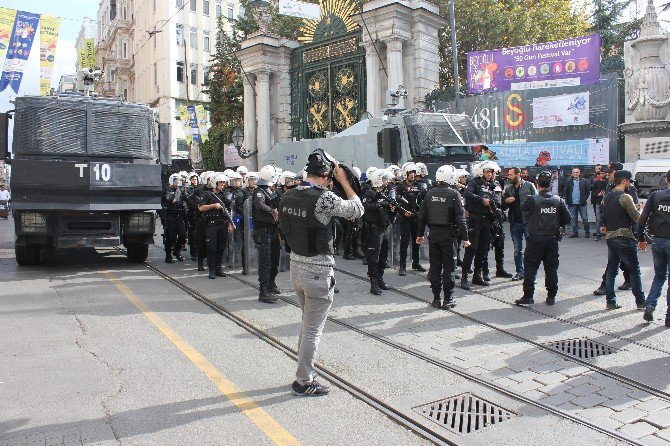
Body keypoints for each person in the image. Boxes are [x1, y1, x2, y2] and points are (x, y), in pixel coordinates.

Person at [279, 149, 364, 397]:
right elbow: (356, 209)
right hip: (317, 273)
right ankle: (303, 381)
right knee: (312, 331)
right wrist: (345, 181)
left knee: (307, 326)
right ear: (327, 175)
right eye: (331, 178)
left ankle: (303, 373)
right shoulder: (324, 198)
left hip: (296, 267)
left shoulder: (289, 194)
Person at [417, 165, 470, 309]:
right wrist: (465, 238)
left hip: (433, 235)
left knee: (434, 268)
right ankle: (448, 299)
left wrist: (420, 234)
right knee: (449, 269)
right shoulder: (454, 194)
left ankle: (435, 299)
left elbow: (422, 216)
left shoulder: (429, 193)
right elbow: (460, 219)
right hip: (448, 236)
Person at [515, 171, 571, 306]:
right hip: (552, 239)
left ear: (538, 184)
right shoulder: (558, 200)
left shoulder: (532, 199)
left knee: (530, 267)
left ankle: (528, 296)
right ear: (551, 185)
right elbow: (568, 218)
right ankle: (551, 296)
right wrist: (558, 224)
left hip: (535, 238)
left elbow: (523, 210)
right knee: (551, 268)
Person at [599, 169, 646, 310]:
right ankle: (641, 302)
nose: (629, 185)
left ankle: (610, 301)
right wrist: (642, 210)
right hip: (625, 237)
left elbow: (604, 217)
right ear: (625, 181)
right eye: (629, 182)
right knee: (634, 271)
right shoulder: (625, 197)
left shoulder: (607, 197)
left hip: (611, 237)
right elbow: (636, 217)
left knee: (612, 271)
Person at [593, 162, 639, 295]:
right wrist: (603, 223)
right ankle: (628, 281)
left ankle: (605, 286)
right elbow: (605, 208)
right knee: (621, 260)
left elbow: (633, 211)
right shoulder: (610, 187)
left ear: (618, 173)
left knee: (615, 262)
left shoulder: (628, 189)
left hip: (625, 230)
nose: (608, 174)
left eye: (610, 172)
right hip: (613, 230)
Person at [637, 170, 670, 326]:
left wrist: (641, 238)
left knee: (659, 276)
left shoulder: (656, 196)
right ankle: (668, 317)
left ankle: (650, 305)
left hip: (657, 241)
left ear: (666, 180)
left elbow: (642, 219)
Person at [460, 161, 497, 290]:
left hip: (486, 220)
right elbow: (467, 194)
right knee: (472, 249)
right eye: (487, 171)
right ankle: (464, 277)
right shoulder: (474, 182)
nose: (490, 174)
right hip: (474, 219)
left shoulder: (491, 185)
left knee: (483, 249)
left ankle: (477, 275)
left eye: (491, 172)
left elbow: (494, 201)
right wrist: (481, 200)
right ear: (481, 171)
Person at [362, 169, 396, 295]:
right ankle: (374, 283)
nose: (386, 181)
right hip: (374, 228)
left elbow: (391, 210)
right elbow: (365, 207)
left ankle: (380, 279)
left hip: (385, 227)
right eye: (384, 179)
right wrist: (379, 204)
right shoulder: (369, 193)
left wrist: (392, 208)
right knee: (373, 257)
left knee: (383, 256)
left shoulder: (386, 193)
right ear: (378, 180)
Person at [253, 165, 282, 302]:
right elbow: (259, 205)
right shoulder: (259, 191)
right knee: (265, 262)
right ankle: (263, 291)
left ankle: (271, 283)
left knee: (275, 260)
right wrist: (272, 211)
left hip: (273, 230)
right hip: (263, 231)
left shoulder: (270, 191)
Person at [502, 167, 538, 281]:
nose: (509, 176)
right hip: (515, 223)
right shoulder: (508, 189)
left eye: (511, 174)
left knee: (532, 250)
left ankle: (532, 275)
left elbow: (537, 201)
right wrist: (506, 201)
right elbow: (502, 206)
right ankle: (519, 272)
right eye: (509, 175)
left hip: (528, 222)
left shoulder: (529, 185)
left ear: (518, 175)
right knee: (517, 250)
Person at [198, 173, 234, 279]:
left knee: (221, 248)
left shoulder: (225, 195)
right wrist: (213, 205)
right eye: (221, 182)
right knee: (211, 248)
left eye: (224, 182)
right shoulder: (207, 194)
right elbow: (201, 208)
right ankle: (212, 270)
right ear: (215, 183)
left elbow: (229, 210)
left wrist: (230, 224)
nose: (223, 184)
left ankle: (219, 268)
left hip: (222, 224)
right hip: (211, 225)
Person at [395, 162, 425, 275]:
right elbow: (396, 202)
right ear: (405, 174)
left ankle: (416, 263)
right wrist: (403, 212)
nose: (412, 175)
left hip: (416, 218)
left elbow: (422, 200)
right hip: (405, 219)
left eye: (413, 173)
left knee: (417, 241)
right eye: (410, 173)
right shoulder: (400, 186)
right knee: (405, 242)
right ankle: (402, 266)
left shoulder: (418, 185)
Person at [164, 173, 187, 263]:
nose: (177, 182)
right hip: (170, 215)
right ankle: (168, 255)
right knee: (170, 236)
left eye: (179, 181)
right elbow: (164, 202)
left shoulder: (182, 190)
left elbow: (185, 199)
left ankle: (177, 251)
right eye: (175, 181)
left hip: (180, 215)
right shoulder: (166, 190)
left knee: (183, 235)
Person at [563, 168, 591, 238]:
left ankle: (587, 232)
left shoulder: (584, 181)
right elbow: (566, 192)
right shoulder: (568, 181)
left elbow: (587, 192)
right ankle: (575, 233)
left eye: (577, 172)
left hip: (582, 203)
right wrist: (567, 201)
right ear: (572, 173)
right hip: (572, 203)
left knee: (585, 218)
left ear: (579, 173)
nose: (575, 173)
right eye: (574, 172)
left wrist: (584, 199)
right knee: (573, 219)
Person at [591, 170, 608, 241]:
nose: (602, 175)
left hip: (607, 203)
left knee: (607, 218)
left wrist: (606, 194)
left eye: (603, 173)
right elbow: (593, 193)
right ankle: (598, 234)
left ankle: (607, 233)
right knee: (598, 219)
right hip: (598, 202)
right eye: (600, 173)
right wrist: (598, 195)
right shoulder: (596, 183)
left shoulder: (608, 183)